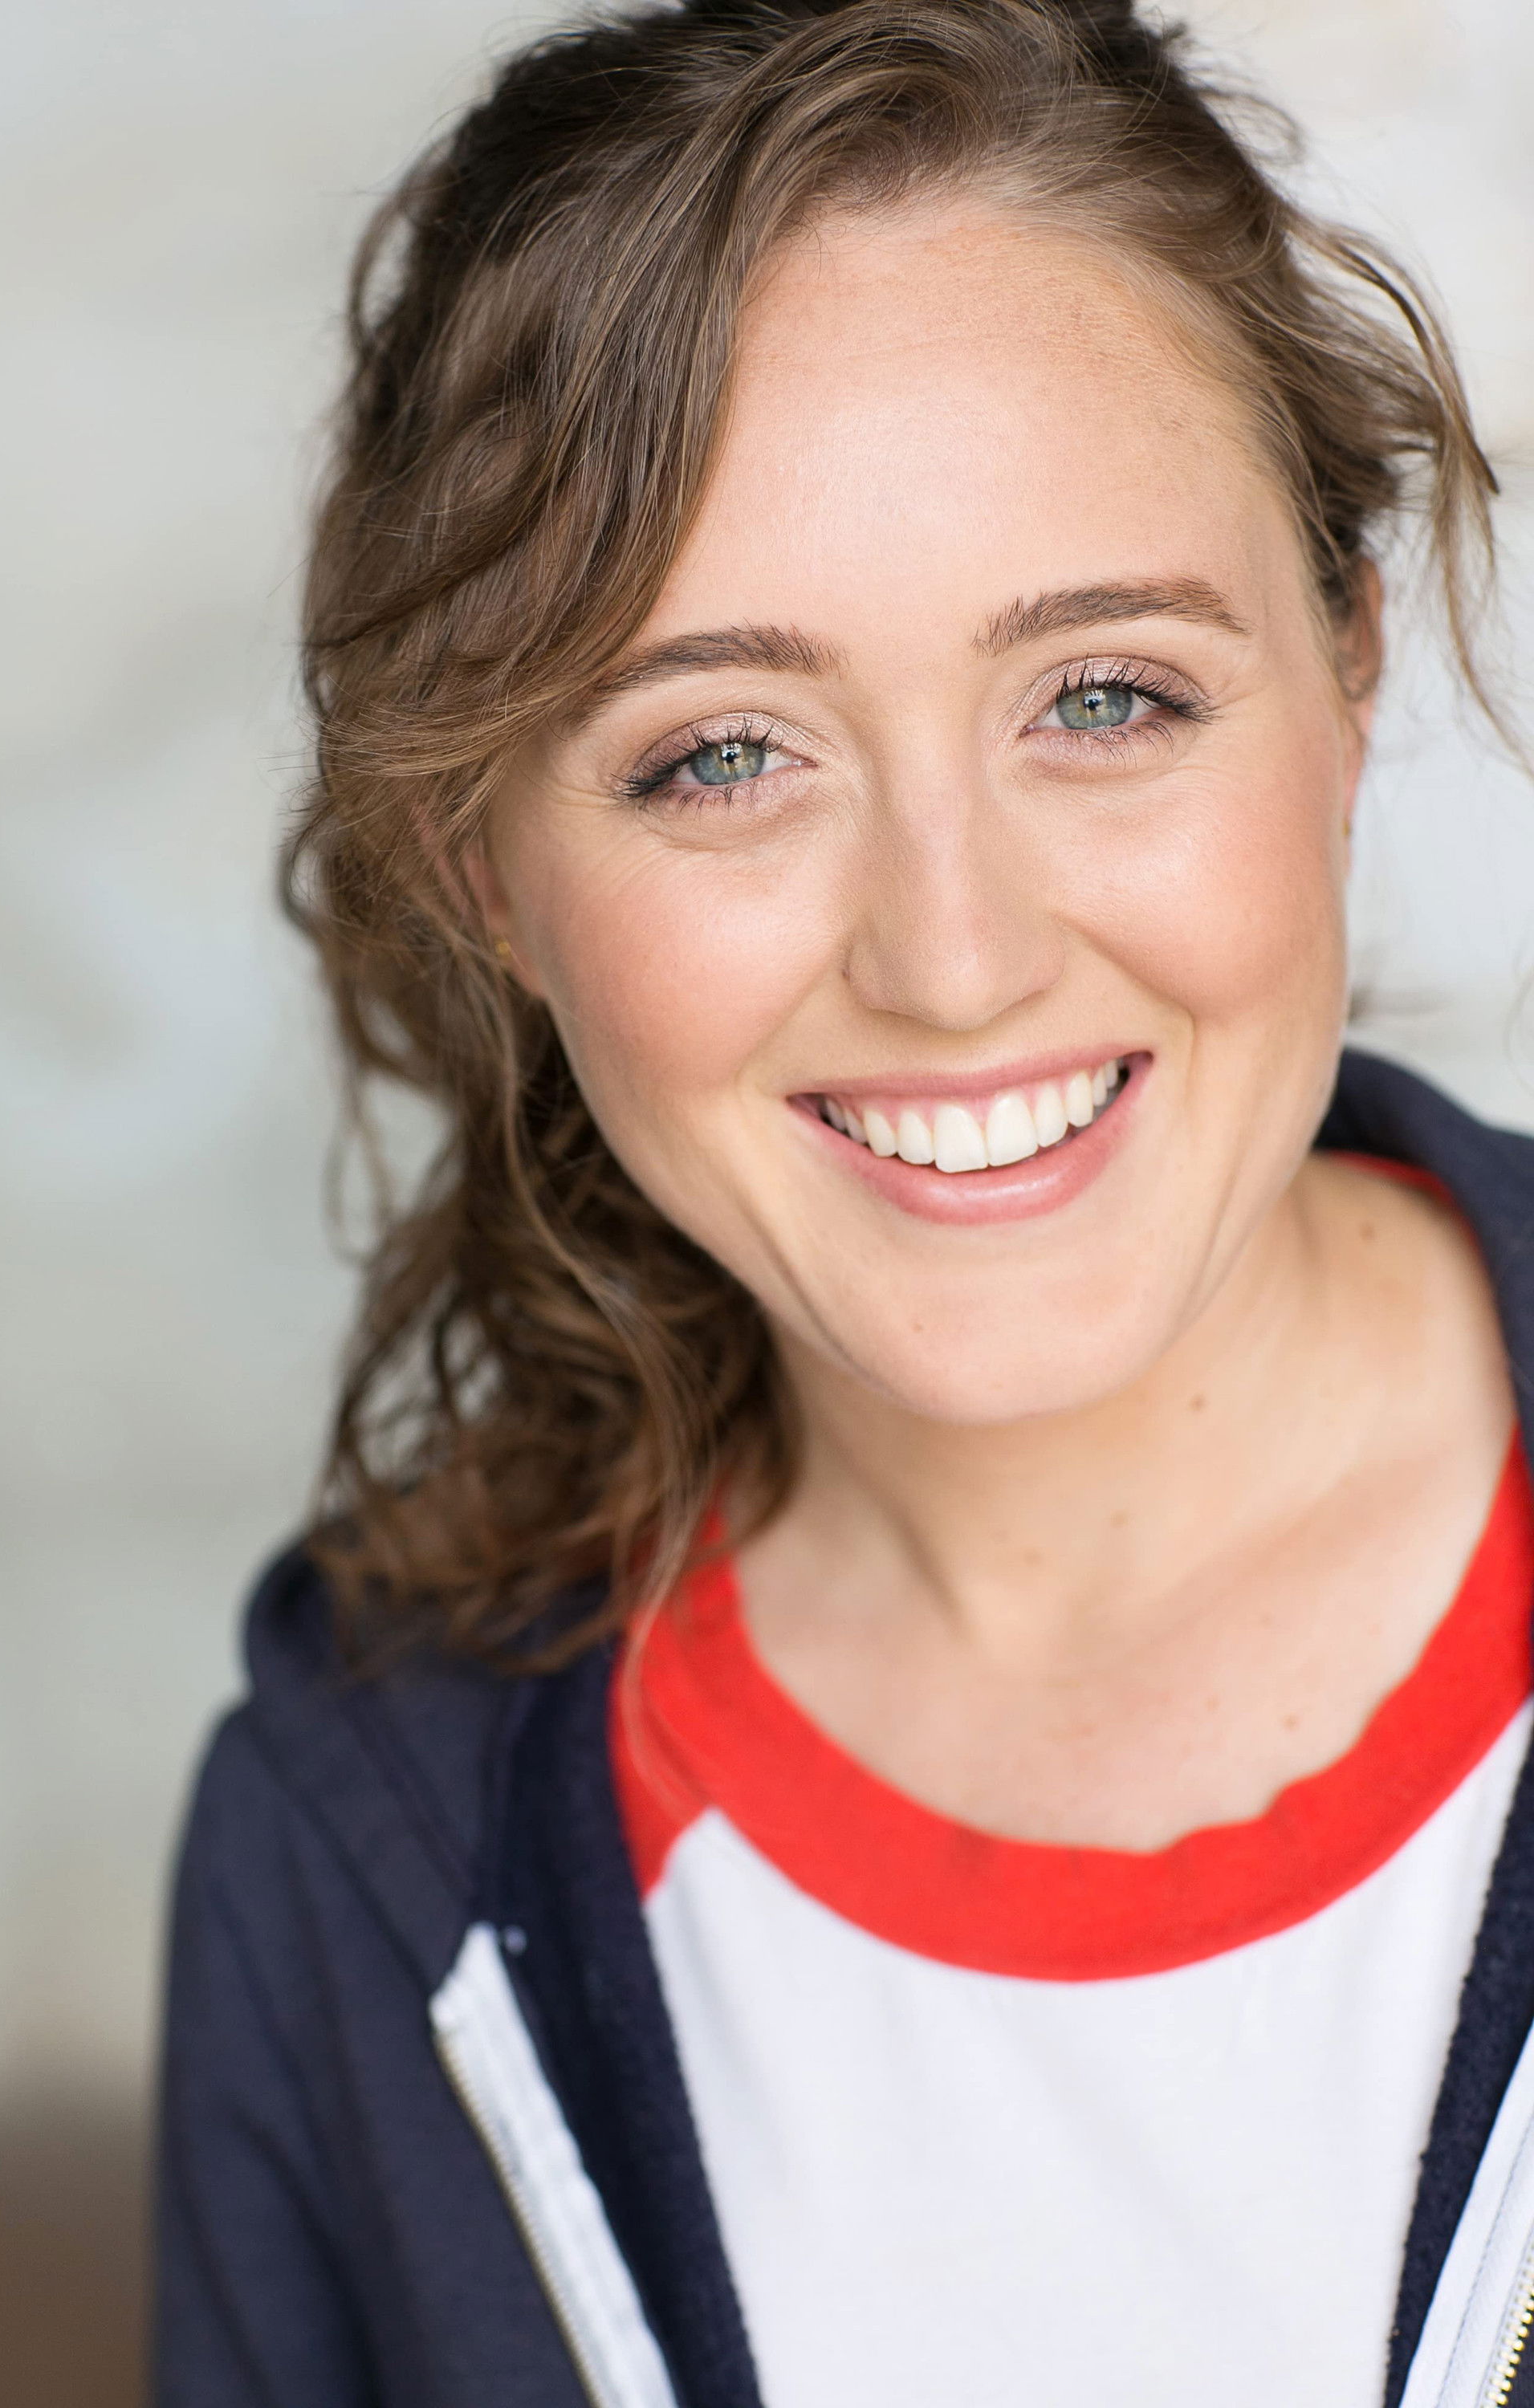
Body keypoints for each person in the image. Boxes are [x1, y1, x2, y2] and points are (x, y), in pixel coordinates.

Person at [154, 2, 1534, 2402]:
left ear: (1348, 666)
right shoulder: (358, 1856)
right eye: (722, 755)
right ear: (483, 870)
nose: (955, 959)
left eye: (1104, 696)